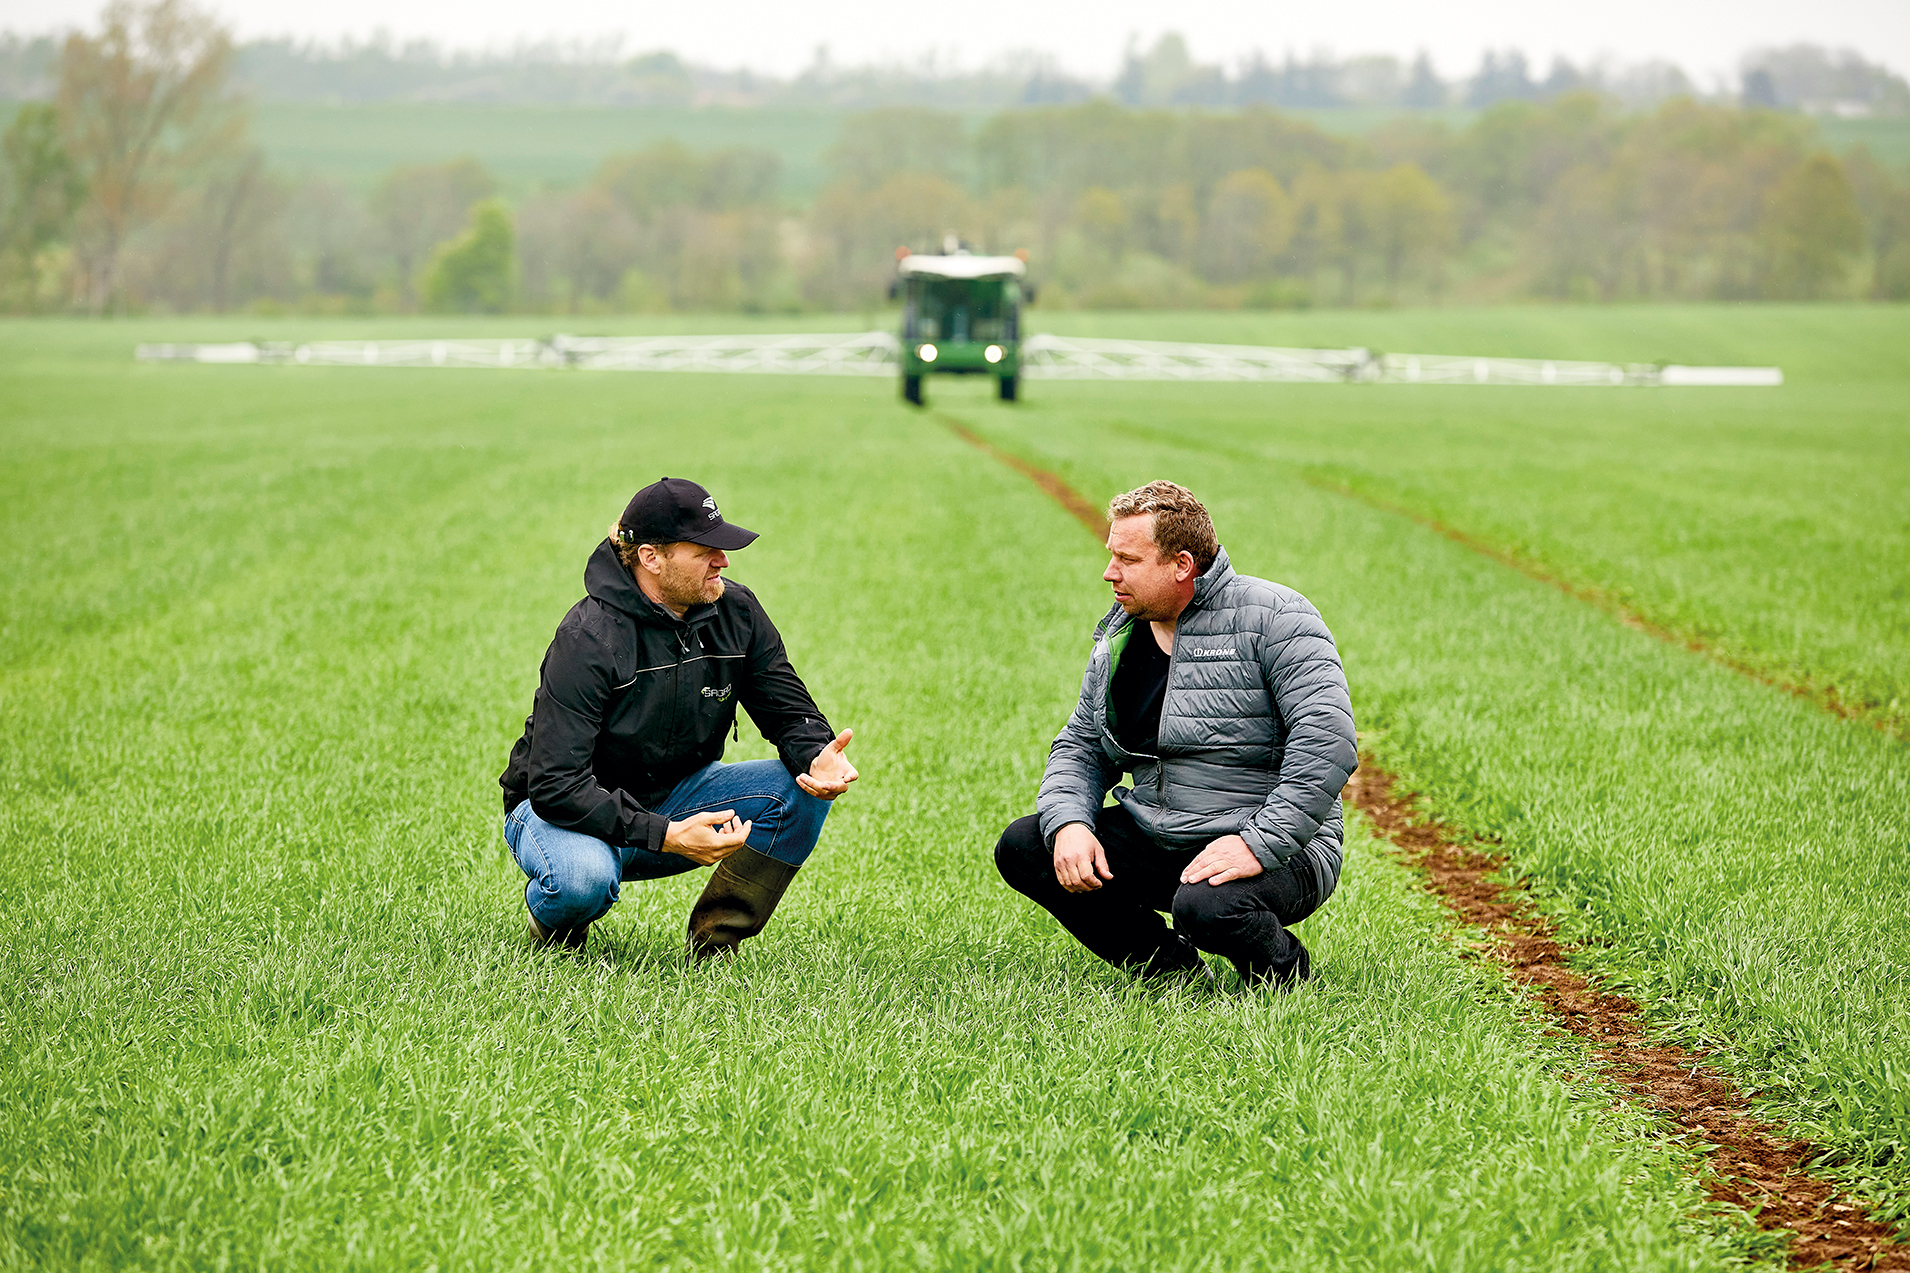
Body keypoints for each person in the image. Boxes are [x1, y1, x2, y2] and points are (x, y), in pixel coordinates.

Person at [994, 481, 1356, 987]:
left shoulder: (1277, 617)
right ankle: (1170, 973)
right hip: (1159, 832)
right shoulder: (1121, 635)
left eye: (1128, 559)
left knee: (1206, 906)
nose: (1110, 572)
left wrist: (1257, 844)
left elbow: (1328, 742)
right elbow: (1082, 746)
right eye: (1112, 555)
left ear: (1182, 565)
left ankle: (1284, 976)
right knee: (1025, 846)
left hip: (1278, 845)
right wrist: (1070, 822)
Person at [499, 477, 857, 956]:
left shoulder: (737, 612)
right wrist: (666, 835)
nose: (723, 561)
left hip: (676, 797)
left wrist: (816, 755)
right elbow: (555, 785)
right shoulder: (588, 638)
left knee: (801, 790)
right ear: (651, 558)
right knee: (582, 880)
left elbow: (787, 708)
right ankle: (556, 930)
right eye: (705, 551)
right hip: (565, 814)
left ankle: (713, 946)